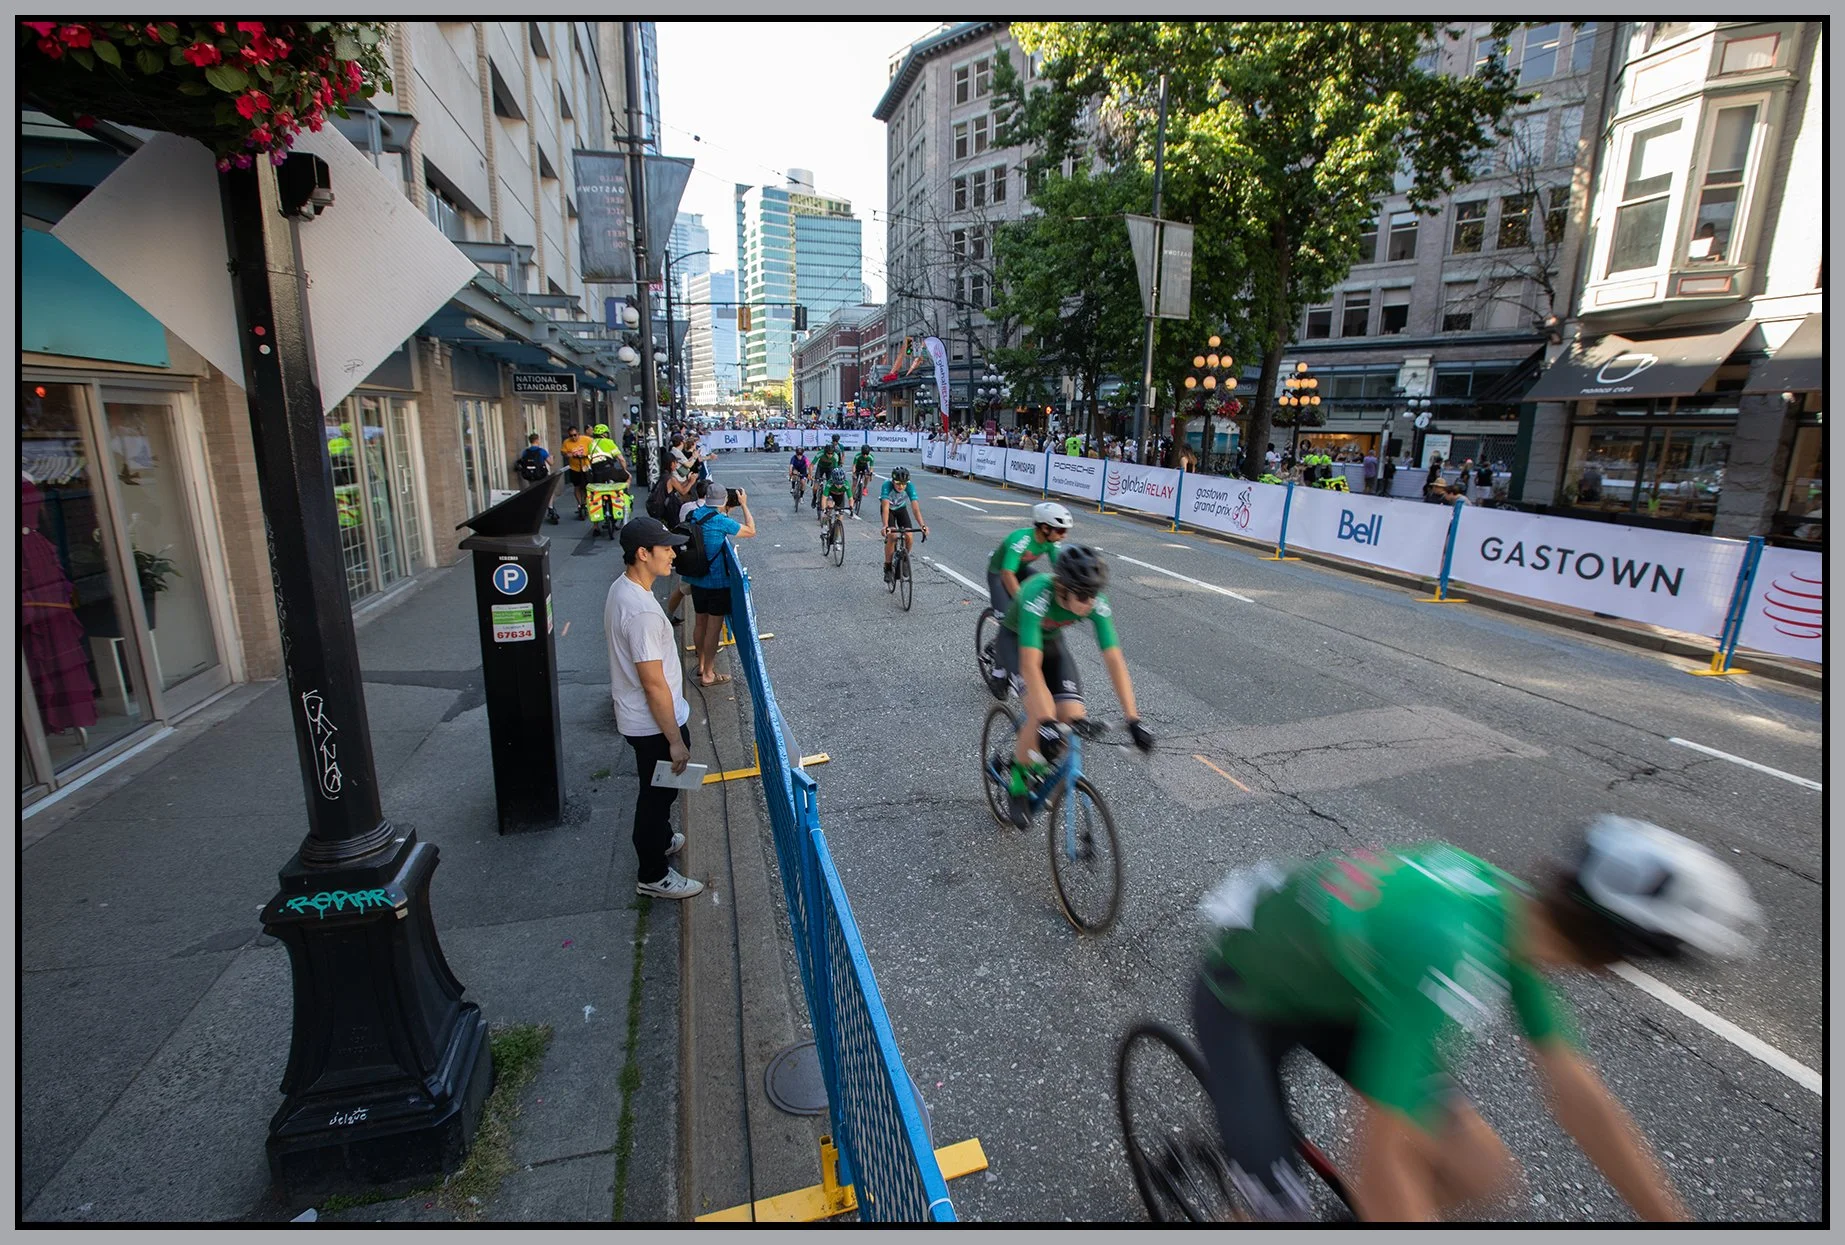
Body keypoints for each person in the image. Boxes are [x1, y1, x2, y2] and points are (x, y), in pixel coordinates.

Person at [1191, 818, 1760, 1222]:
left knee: (1481, 1171)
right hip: (1246, 1003)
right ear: (1613, 961)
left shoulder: (1518, 916)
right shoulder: (1447, 948)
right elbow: (1380, 1152)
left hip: (1342, 991)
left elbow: (1578, 1094)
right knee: (1277, 1213)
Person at [990, 545, 1153, 828]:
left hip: (1051, 643)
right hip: (1016, 642)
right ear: (1063, 587)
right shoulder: (1037, 595)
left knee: (1072, 716)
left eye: (1094, 593)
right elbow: (1030, 665)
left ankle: (1038, 762)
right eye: (1083, 595)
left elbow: (1114, 659)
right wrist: (1045, 720)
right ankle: (1017, 782)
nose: (1090, 602)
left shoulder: (1095, 602)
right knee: (1043, 714)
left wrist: (1133, 718)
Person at [605, 516, 703, 900]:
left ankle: (660, 839)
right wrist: (675, 740)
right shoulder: (642, 612)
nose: (674, 555)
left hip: (639, 719)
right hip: (652, 725)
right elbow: (653, 683)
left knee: (657, 791)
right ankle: (653, 874)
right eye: (666, 549)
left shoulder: (624, 588)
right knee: (656, 796)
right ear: (642, 554)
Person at [678, 476, 755, 687]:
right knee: (713, 628)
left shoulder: (694, 514)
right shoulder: (720, 521)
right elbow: (751, 530)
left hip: (696, 578)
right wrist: (745, 505)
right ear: (723, 501)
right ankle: (709, 674)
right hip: (716, 582)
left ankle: (702, 665)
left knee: (699, 622)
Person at [985, 501, 1072, 623]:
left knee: (1047, 585)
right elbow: (1007, 573)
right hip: (999, 573)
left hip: (1020, 570)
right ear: (1045, 528)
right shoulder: (1021, 540)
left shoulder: (1051, 542)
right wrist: (1022, 602)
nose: (1064, 536)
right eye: (1061, 531)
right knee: (1006, 618)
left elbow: (1060, 570)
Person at [879, 465, 931, 582]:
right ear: (893, 481)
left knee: (909, 535)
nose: (901, 486)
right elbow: (886, 507)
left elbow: (915, 508)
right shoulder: (886, 486)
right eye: (898, 483)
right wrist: (885, 526)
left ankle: (905, 560)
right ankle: (887, 567)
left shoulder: (910, 486)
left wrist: (922, 525)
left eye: (904, 484)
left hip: (901, 509)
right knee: (892, 536)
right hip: (889, 510)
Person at [562, 425, 594, 520]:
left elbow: (594, 446)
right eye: (571, 436)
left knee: (586, 487)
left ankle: (585, 503)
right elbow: (563, 452)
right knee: (577, 486)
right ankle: (580, 504)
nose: (573, 437)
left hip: (586, 467)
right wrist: (569, 454)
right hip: (574, 468)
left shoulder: (587, 439)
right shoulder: (567, 442)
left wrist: (588, 455)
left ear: (578, 434)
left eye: (575, 435)